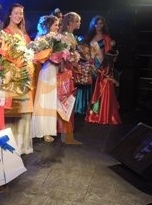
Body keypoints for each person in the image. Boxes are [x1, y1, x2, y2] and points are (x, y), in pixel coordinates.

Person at [1, 3, 33, 155]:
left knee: (24, 110)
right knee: (12, 111)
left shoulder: (23, 33)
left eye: (21, 13)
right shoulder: (5, 33)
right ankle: (11, 146)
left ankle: (22, 145)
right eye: (16, 13)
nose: (19, 16)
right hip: (12, 78)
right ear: (9, 14)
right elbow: (3, 56)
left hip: (25, 76)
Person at [85, 16, 121, 125]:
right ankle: (94, 112)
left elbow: (110, 53)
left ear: (103, 25)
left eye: (101, 23)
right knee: (93, 89)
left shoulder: (106, 38)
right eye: (97, 23)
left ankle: (103, 113)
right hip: (93, 65)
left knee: (103, 89)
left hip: (103, 65)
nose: (99, 26)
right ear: (93, 24)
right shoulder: (89, 37)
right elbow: (86, 52)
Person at [31, 14, 60, 143]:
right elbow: (38, 56)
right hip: (46, 70)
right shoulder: (42, 39)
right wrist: (50, 56)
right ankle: (41, 130)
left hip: (54, 70)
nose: (58, 27)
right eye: (56, 25)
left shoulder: (57, 38)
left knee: (51, 100)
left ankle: (48, 130)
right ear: (49, 25)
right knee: (45, 99)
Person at [57, 11, 81, 144]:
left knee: (68, 97)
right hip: (64, 71)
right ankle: (62, 127)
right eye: (77, 21)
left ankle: (66, 126)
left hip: (70, 69)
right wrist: (73, 59)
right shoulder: (64, 36)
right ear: (70, 22)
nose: (79, 23)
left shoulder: (71, 35)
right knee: (64, 97)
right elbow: (63, 55)